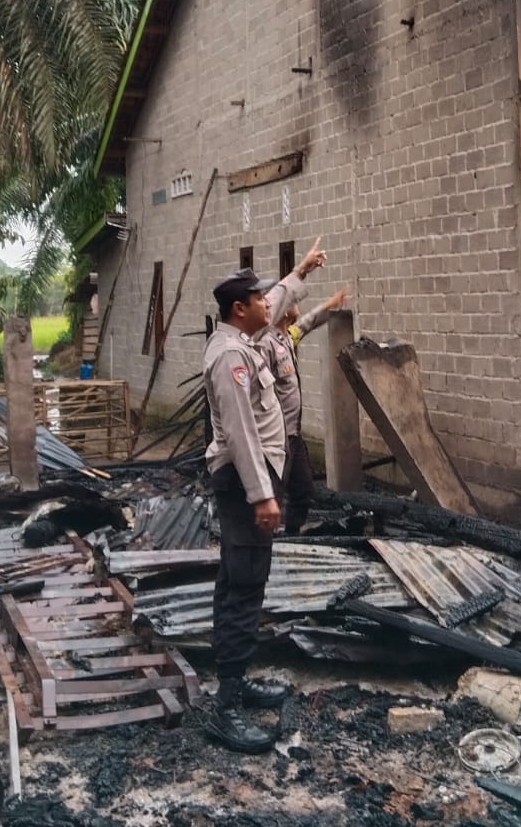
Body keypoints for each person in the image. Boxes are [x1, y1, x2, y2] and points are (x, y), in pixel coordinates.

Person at [197, 268, 292, 753]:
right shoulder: (231, 356)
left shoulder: (242, 344)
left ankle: (233, 682)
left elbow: (280, 297)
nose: (267, 303)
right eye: (259, 298)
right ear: (240, 308)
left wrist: (303, 273)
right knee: (245, 587)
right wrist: (262, 495)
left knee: (236, 580)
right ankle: (226, 709)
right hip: (243, 481)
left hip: (246, 479)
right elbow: (240, 433)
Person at [262, 264, 350, 533]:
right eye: (291, 300)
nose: (296, 303)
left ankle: (290, 534)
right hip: (277, 439)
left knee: (303, 490)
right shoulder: (266, 344)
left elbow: (307, 323)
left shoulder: (287, 338)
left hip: (294, 436)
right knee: (272, 495)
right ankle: (266, 543)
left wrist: (330, 305)